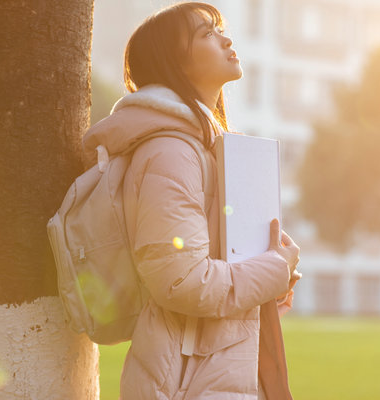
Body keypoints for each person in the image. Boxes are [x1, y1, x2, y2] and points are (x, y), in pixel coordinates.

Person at [81, 2, 301, 399]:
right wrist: (272, 270)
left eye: (220, 29)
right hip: (185, 383)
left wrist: (270, 280)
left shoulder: (203, 148)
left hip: (210, 373)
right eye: (207, 34)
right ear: (175, 63)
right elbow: (180, 282)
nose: (227, 39)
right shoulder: (170, 152)